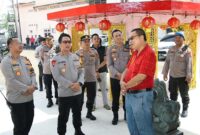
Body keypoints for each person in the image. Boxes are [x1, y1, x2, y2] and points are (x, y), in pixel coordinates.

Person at [120, 28, 156, 135]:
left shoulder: (149, 53)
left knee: (144, 128)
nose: (130, 41)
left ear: (141, 37)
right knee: (132, 126)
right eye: (129, 39)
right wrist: (122, 81)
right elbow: (127, 69)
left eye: (132, 38)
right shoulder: (135, 53)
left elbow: (141, 76)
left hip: (141, 96)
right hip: (130, 95)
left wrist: (125, 86)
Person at [1, 37, 37, 135]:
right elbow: (11, 80)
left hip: (29, 98)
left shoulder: (25, 59)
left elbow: (33, 74)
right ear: (10, 46)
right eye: (17, 43)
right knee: (19, 127)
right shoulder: (6, 61)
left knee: (29, 123)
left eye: (21, 43)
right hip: (16, 100)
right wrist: (26, 88)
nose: (21, 45)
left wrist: (33, 86)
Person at [50, 33, 85, 135]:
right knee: (63, 116)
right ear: (60, 44)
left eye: (69, 42)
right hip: (65, 93)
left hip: (77, 91)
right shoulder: (55, 59)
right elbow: (57, 76)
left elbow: (81, 71)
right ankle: (61, 133)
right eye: (65, 42)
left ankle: (78, 130)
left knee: (77, 113)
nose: (68, 44)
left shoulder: (75, 57)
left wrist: (79, 83)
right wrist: (71, 85)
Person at [162, 32, 192, 118]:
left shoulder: (187, 50)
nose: (177, 39)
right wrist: (165, 73)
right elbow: (167, 61)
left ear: (183, 39)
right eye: (176, 38)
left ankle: (185, 109)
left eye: (179, 37)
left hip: (182, 77)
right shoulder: (171, 49)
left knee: (184, 94)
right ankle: (174, 109)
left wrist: (188, 76)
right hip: (172, 76)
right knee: (172, 93)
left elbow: (189, 64)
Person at [107, 29, 130, 125]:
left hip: (126, 78)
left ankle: (126, 115)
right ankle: (115, 116)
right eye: (116, 36)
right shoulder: (110, 49)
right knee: (115, 98)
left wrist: (124, 75)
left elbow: (131, 63)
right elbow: (109, 65)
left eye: (120, 35)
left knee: (126, 98)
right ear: (113, 38)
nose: (119, 37)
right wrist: (117, 74)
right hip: (115, 77)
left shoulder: (128, 48)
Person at [76, 35, 99, 121]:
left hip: (92, 78)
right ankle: (78, 114)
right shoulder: (77, 53)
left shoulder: (94, 52)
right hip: (81, 80)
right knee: (79, 99)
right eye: (84, 41)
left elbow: (97, 62)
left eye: (88, 41)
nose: (87, 43)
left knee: (91, 97)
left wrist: (96, 71)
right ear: (81, 43)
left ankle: (89, 113)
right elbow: (75, 67)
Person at [91, 33, 110, 110]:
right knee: (93, 90)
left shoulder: (104, 48)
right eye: (94, 38)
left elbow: (105, 61)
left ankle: (105, 104)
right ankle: (93, 105)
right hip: (93, 72)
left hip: (102, 71)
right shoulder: (89, 49)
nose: (96, 40)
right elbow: (89, 62)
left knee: (103, 89)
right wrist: (95, 70)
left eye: (98, 38)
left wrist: (97, 68)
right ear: (92, 40)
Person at [39, 37, 58, 107]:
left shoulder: (56, 48)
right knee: (48, 86)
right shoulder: (43, 49)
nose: (49, 42)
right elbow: (41, 58)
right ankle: (49, 100)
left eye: (51, 40)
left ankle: (57, 98)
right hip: (46, 70)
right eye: (47, 41)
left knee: (57, 85)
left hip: (55, 70)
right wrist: (45, 65)